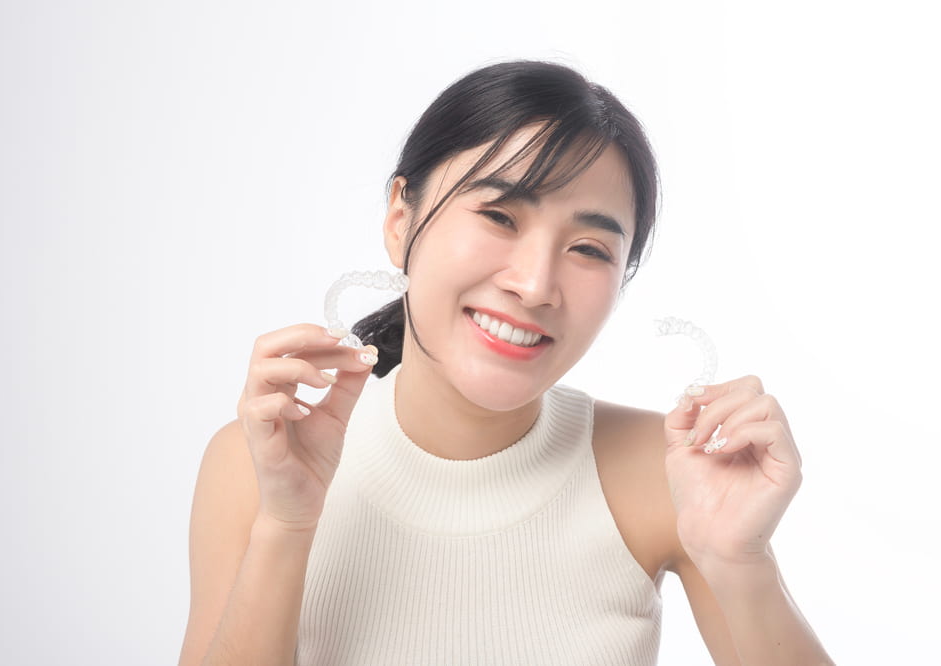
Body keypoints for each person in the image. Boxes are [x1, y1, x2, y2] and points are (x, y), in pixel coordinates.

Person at [177, 61, 835, 666]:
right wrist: (287, 524)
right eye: (498, 215)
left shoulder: (664, 473)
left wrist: (740, 561)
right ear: (400, 220)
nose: (536, 284)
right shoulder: (258, 465)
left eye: (588, 249)